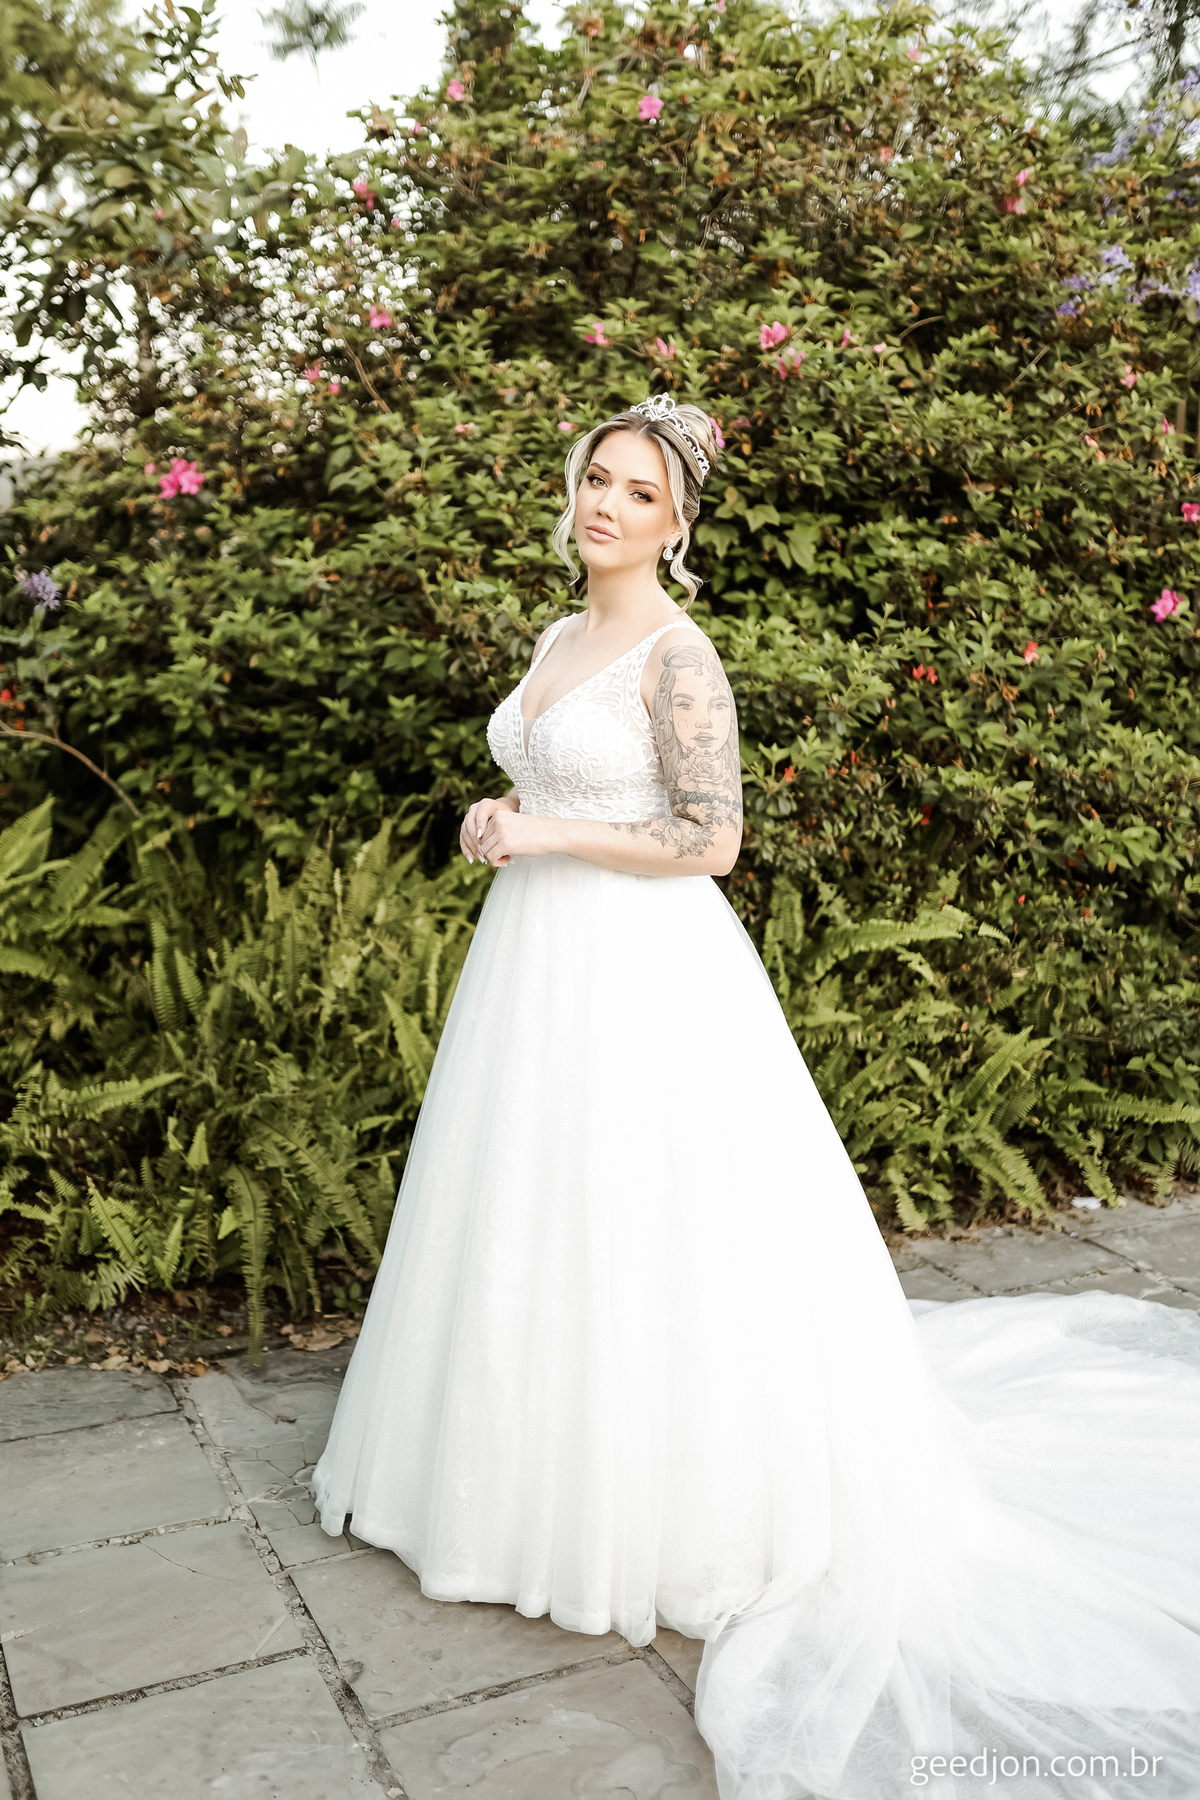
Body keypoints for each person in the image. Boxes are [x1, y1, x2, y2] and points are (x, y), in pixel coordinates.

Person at [314, 394, 1200, 1798]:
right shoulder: (555, 638)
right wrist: (501, 818)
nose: (608, 506)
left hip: (643, 973)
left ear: (677, 525)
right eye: (598, 479)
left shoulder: (681, 655)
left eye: (640, 494)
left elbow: (711, 840)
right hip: (533, 967)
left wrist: (548, 828)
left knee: (649, 1214)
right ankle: (502, 1476)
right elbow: (542, 780)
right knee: (530, 1206)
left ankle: (659, 1504)